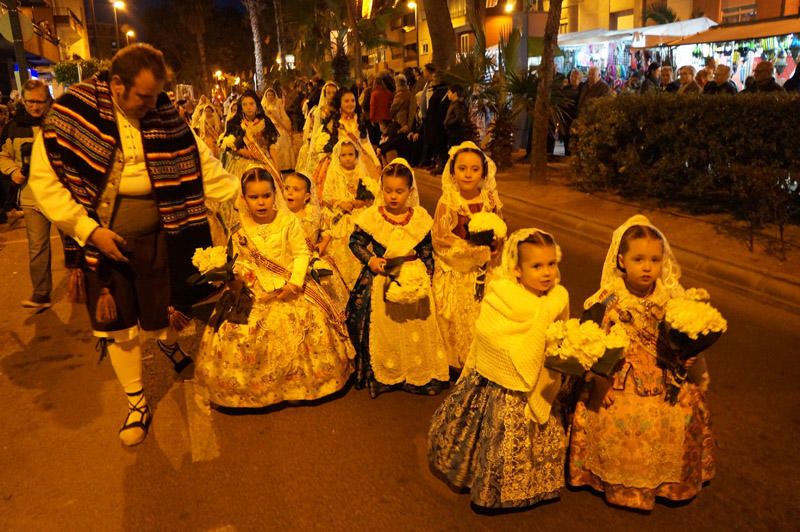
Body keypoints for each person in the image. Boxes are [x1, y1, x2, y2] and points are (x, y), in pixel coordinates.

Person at [28, 43, 239, 446]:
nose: (151, 104)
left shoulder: (162, 111)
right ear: (117, 84)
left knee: (168, 307)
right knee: (120, 324)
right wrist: (89, 231)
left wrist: (248, 195)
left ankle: (168, 346)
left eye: (156, 95)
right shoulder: (73, 113)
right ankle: (137, 401)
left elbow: (201, 164)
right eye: (144, 96)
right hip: (103, 241)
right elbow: (46, 182)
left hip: (163, 235)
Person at [568, 215, 715, 511]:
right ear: (622, 261)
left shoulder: (671, 298)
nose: (647, 267)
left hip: (662, 371)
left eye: (654, 260)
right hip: (620, 373)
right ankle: (615, 480)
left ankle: (667, 480)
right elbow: (591, 341)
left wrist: (691, 364)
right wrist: (599, 380)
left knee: (679, 413)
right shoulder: (609, 298)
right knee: (617, 416)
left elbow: (683, 339)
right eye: (638, 259)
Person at [428, 228, 570, 509]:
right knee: (498, 441)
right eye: (537, 266)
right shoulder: (502, 297)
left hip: (541, 383)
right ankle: (495, 492)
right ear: (517, 270)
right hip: (502, 388)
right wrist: (521, 350)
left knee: (539, 438)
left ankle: (536, 485)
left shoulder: (557, 297)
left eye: (551, 264)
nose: (546, 272)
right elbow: (488, 336)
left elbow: (563, 331)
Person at [195, 167, 353, 408]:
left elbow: (301, 254)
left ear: (274, 194)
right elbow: (239, 258)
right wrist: (236, 278)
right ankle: (250, 392)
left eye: (266, 196)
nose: (261, 202)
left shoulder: (287, 220)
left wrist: (295, 282)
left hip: (289, 285)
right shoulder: (239, 228)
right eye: (254, 197)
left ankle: (301, 385)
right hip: (253, 287)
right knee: (242, 333)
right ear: (244, 198)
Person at [346, 159, 449, 398]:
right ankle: (387, 373)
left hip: (413, 281)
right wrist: (370, 260)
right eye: (388, 190)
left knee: (417, 327)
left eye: (399, 191)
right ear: (382, 189)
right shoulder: (373, 216)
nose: (393, 196)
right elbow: (356, 242)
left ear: (410, 191)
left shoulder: (420, 217)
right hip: (382, 278)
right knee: (384, 331)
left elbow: (426, 250)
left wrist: (429, 275)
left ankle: (417, 373)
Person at [432, 142, 503, 370]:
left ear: (483, 172)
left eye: (474, 169)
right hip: (460, 270)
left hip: (487, 268)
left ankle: (486, 360)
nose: (468, 174)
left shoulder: (490, 200)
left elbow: (500, 228)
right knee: (460, 316)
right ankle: (461, 361)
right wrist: (469, 250)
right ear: (453, 171)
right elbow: (441, 238)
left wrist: (494, 246)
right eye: (462, 168)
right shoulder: (449, 201)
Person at [0, 80, 60, 308]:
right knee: (37, 247)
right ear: (23, 101)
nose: (35, 106)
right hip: (31, 199)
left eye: (40, 101)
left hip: (59, 197)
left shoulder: (58, 124)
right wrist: (13, 170)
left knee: (74, 243)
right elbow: (3, 155)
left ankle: (84, 286)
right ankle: (41, 293)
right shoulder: (14, 127)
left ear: (48, 101)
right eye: (30, 101)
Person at [284, 171, 350, 314]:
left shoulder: (314, 213)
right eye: (286, 188)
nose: (289, 193)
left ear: (307, 196)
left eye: (296, 190)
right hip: (288, 263)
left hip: (312, 259)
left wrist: (322, 244)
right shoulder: (280, 215)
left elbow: (326, 230)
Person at [322, 138, 381, 288]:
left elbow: (369, 196)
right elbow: (327, 196)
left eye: (351, 154)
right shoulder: (334, 171)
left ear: (356, 155)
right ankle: (343, 277)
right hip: (341, 211)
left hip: (359, 211)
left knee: (361, 227)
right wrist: (340, 203)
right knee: (343, 229)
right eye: (344, 155)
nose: (348, 158)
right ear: (338, 156)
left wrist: (360, 202)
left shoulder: (361, 171)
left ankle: (360, 272)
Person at [220, 89, 280, 180]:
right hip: (242, 164)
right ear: (241, 107)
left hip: (264, 161)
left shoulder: (265, 122)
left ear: (257, 105)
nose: (248, 107)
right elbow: (230, 146)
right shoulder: (235, 123)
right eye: (245, 104)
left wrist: (276, 166)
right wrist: (245, 153)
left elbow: (271, 144)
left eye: (251, 104)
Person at [261, 87, 297, 171]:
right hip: (269, 128)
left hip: (279, 127)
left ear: (274, 96)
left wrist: (279, 120)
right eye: (268, 95)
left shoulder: (278, 104)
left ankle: (285, 166)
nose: (270, 96)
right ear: (266, 96)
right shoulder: (263, 106)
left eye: (271, 95)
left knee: (281, 140)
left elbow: (283, 116)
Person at [443, 84, 468, 149]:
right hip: (452, 133)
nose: (447, 94)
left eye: (449, 92)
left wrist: (448, 123)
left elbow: (458, 118)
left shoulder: (457, 104)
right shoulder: (453, 104)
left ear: (455, 93)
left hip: (455, 134)